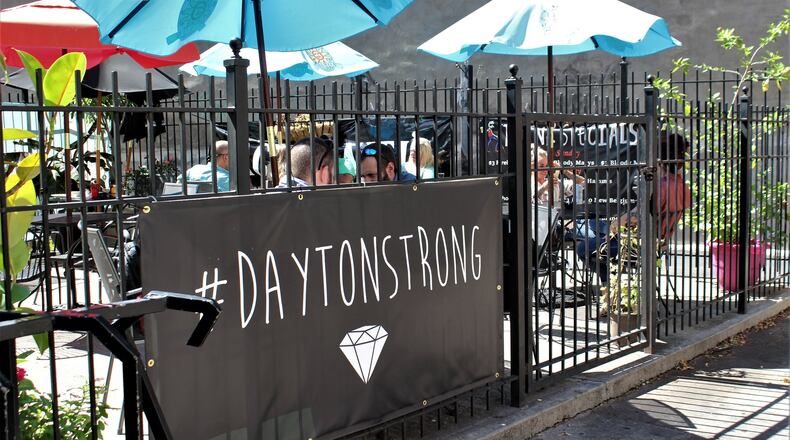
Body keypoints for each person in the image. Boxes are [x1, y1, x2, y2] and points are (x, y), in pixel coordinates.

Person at [575, 132, 692, 285]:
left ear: (658, 159)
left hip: (638, 246)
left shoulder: (659, 187)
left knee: (584, 247)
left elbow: (636, 216)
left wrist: (615, 224)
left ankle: (607, 286)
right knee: (596, 226)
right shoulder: (681, 186)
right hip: (657, 242)